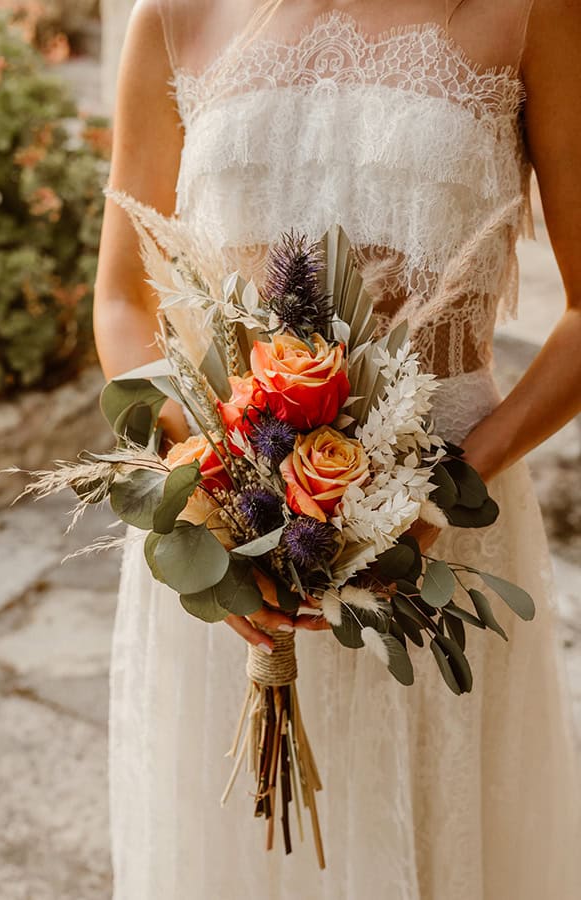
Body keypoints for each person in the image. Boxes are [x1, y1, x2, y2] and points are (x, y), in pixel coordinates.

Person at [94, 1, 581, 896]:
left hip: (441, 533)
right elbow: (124, 298)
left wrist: (440, 492)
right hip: (227, 534)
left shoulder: (527, 12)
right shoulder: (170, 14)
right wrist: (207, 486)